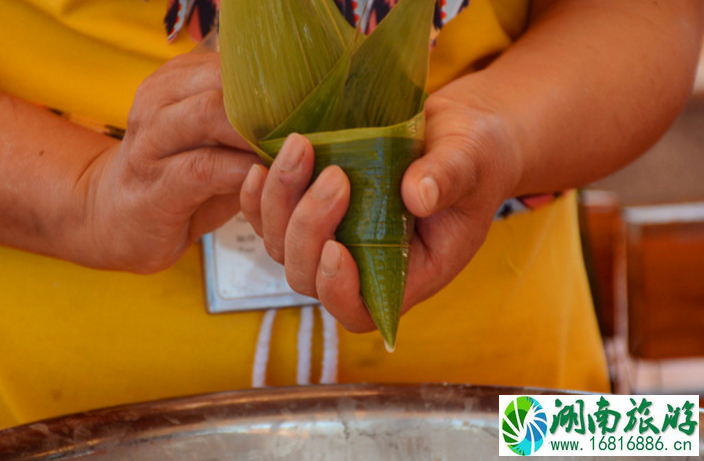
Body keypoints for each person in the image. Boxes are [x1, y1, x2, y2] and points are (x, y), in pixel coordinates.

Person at [0, 0, 701, 430]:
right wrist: (82, 195)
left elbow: (656, 13)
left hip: (530, 410)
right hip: (46, 410)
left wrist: (504, 133)